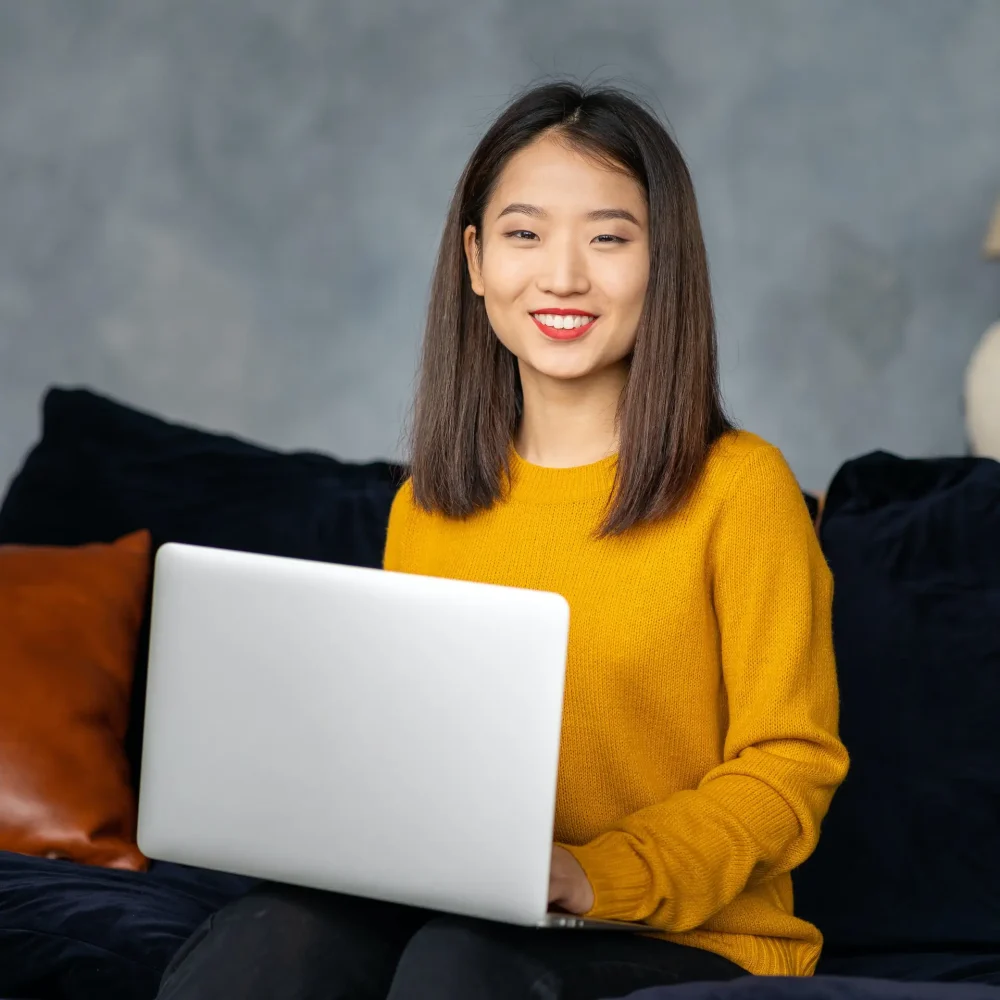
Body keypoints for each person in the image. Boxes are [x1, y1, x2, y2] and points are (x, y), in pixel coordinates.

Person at [157, 80, 849, 1000]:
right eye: (525, 235)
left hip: (691, 937)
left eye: (608, 237)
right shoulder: (429, 505)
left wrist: (596, 873)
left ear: (663, 263)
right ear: (477, 261)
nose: (562, 277)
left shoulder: (742, 488)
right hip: (462, 914)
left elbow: (789, 765)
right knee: (264, 938)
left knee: (460, 966)